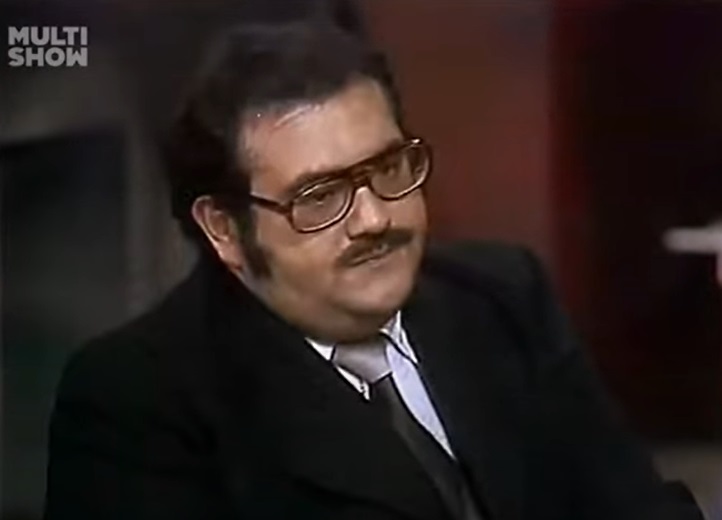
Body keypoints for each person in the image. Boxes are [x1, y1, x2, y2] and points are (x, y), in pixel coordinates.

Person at [43, 18, 703, 520]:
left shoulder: (501, 295)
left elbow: (637, 507)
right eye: (320, 196)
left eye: (388, 169)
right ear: (225, 229)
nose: (374, 219)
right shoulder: (136, 400)